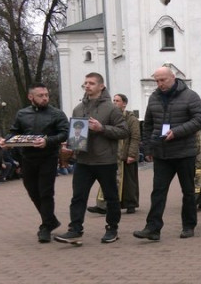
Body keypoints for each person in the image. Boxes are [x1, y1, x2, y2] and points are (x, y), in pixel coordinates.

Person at [54, 72, 128, 245]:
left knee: (111, 197)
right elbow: (77, 134)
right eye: (85, 83)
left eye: (91, 83)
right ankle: (75, 230)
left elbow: (123, 131)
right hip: (84, 161)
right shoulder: (79, 108)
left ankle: (112, 229)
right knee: (78, 197)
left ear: (101, 86)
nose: (87, 86)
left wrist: (102, 128)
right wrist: (71, 144)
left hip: (105, 161)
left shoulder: (111, 108)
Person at [133, 66, 201, 241]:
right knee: (158, 192)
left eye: (162, 80)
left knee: (188, 191)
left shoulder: (190, 96)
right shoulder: (154, 97)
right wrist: (149, 148)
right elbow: (148, 124)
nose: (159, 84)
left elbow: (199, 119)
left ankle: (188, 226)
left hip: (184, 153)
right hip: (162, 154)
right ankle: (153, 228)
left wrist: (177, 132)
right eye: (156, 81)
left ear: (173, 77)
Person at [9, 82, 69, 242]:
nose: (45, 98)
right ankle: (51, 220)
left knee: (46, 192)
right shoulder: (22, 114)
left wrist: (48, 141)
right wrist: (7, 141)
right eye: (40, 95)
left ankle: (46, 227)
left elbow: (65, 133)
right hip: (27, 158)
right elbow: (14, 132)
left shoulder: (56, 113)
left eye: (46, 95)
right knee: (32, 191)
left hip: (48, 157)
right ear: (31, 97)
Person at [87, 93, 141, 215]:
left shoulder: (131, 119)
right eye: (114, 100)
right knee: (108, 180)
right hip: (111, 154)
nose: (115, 102)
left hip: (125, 154)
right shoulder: (110, 116)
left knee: (129, 181)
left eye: (117, 100)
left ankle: (130, 204)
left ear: (124, 103)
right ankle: (103, 205)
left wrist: (131, 154)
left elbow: (135, 137)